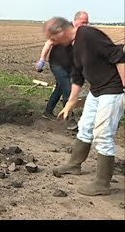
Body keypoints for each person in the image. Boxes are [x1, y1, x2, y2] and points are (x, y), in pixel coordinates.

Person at [43, 16, 125, 196]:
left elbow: (118, 56)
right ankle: (74, 165)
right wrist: (70, 102)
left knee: (103, 136)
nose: (52, 43)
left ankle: (102, 184)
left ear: (61, 31)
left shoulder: (88, 35)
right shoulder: (74, 45)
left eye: (53, 39)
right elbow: (77, 75)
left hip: (112, 91)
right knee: (84, 128)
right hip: (97, 91)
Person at [35, 11, 89, 130]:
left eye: (87, 22)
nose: (85, 25)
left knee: (60, 89)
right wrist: (42, 60)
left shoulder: (82, 34)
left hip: (70, 67)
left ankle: (48, 111)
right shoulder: (64, 29)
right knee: (67, 90)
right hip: (57, 65)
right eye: (83, 22)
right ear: (75, 21)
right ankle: (69, 120)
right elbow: (48, 43)